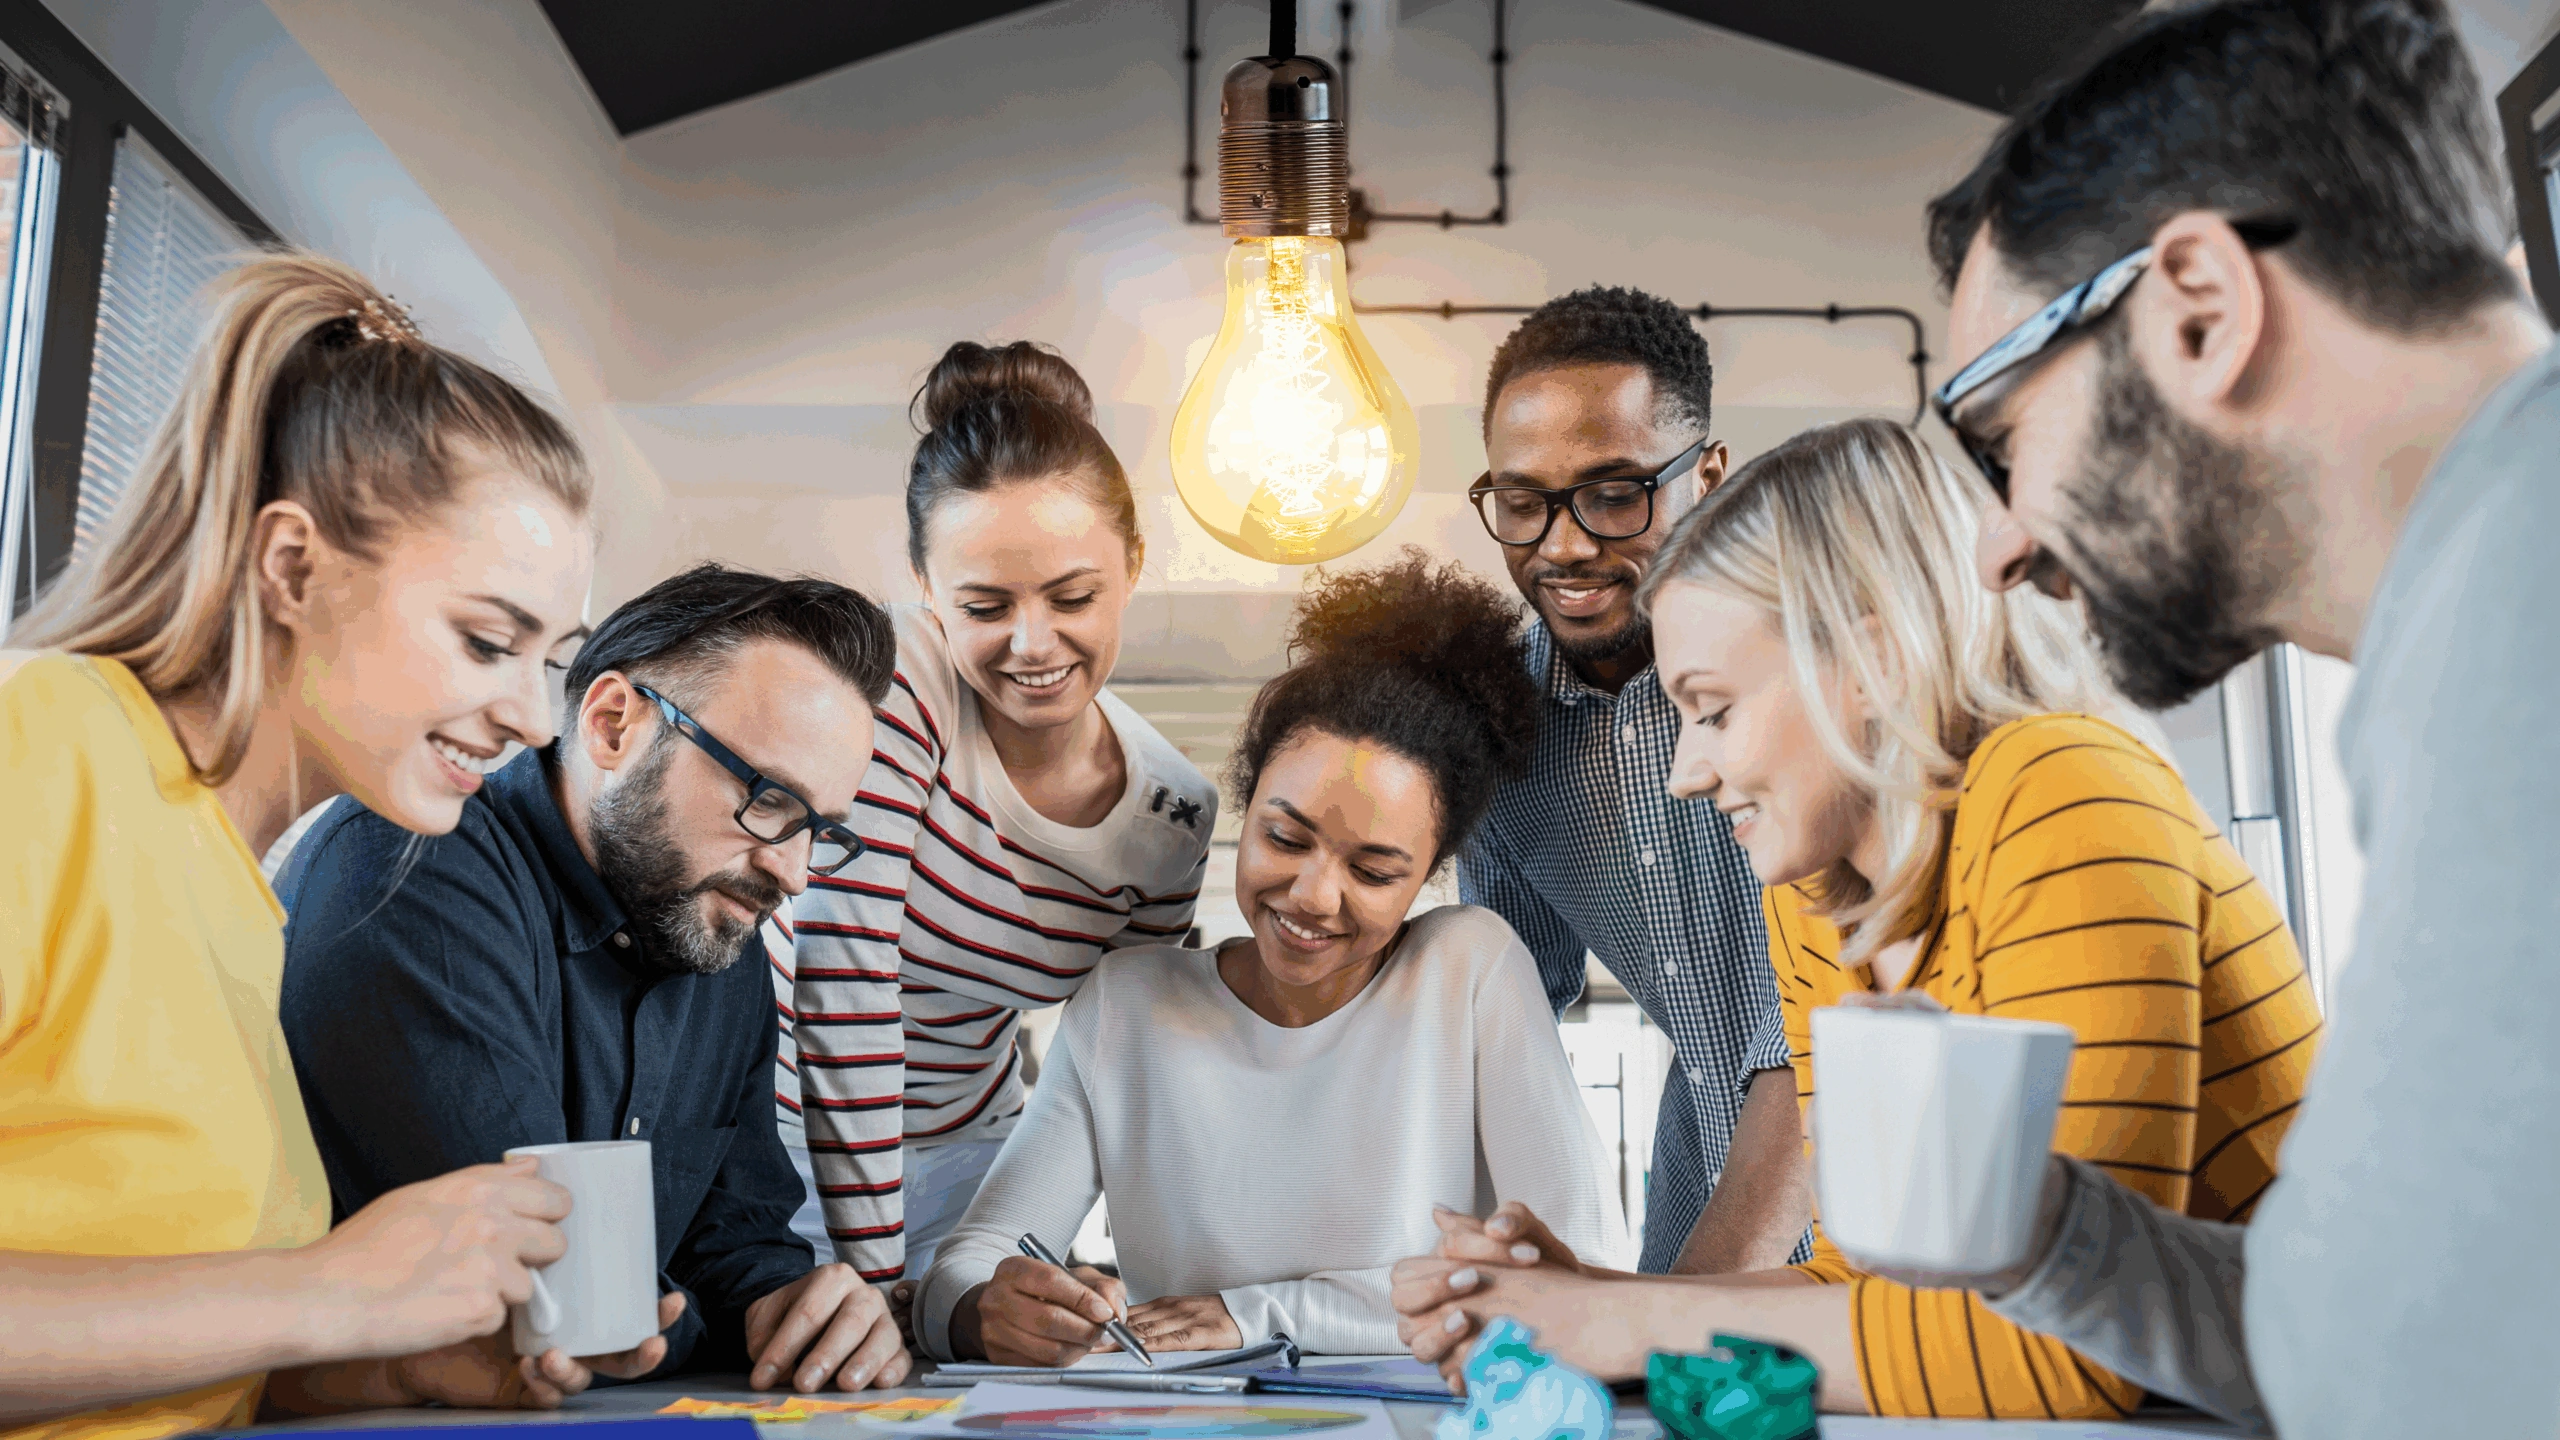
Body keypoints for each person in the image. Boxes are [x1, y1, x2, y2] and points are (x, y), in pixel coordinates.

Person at [1899, 0, 2559, 1432]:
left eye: (1997, 437)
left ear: (2200, 306)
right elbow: (2366, 1333)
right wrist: (2035, 1230)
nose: (2003, 545)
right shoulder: (2462, 627)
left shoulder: (2530, 593)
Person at [1388, 419, 2321, 1420]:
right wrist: (1587, 1304)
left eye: (1712, 708)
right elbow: (1860, 1285)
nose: (1684, 772)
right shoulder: (1814, 900)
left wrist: (1619, 1326)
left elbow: (2072, 1351)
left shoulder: (2062, 786)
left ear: (1869, 656)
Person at [0, 252, 636, 1436]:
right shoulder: (41, 742)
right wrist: (326, 1289)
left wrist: (388, 1361)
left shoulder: (241, 893)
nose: (534, 718)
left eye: (552, 659)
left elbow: (168, 1365)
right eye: (489, 640)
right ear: (293, 567)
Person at [915, 551, 1628, 1363]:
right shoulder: (1127, 1006)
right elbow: (967, 1264)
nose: (1313, 897)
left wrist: (1266, 1312)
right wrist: (982, 1311)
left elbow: (1577, 1280)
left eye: (1373, 870)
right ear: (1245, 809)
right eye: (1285, 838)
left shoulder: (1469, 969)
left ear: (1427, 874)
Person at [277, 563, 913, 1396]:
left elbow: (740, 1250)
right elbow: (556, 1307)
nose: (793, 873)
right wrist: (716, 1319)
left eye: (820, 831)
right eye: (769, 801)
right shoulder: (410, 864)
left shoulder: (720, 941)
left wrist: (804, 1314)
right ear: (614, 724)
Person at [782, 341, 1217, 1289]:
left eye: (1073, 597)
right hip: (776, 1141)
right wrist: (875, 1278)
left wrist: (1159, 1272)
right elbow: (844, 961)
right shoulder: (899, 668)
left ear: (1133, 566)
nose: (1033, 646)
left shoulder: (1172, 816)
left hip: (973, 1166)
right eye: (985, 604)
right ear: (929, 590)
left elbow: (1126, 1059)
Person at [1456, 288, 1807, 1275]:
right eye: (1523, 503)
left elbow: (1837, 1026)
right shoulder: (1500, 748)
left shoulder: (1816, 674)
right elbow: (1500, 1026)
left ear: (1709, 477)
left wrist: (1686, 1307)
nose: (1562, 545)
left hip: (1889, 1215)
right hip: (1697, 1205)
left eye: (1615, 493)